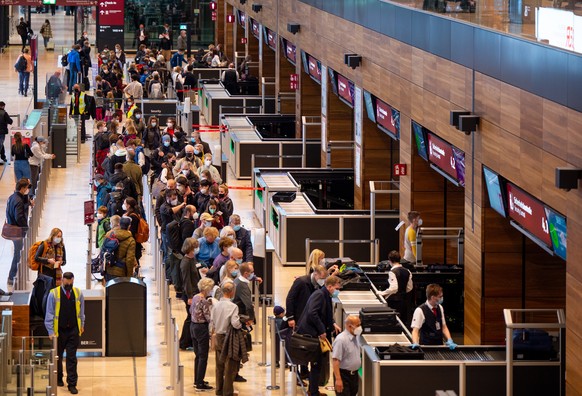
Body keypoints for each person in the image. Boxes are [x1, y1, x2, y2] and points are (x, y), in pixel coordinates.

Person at [296, 275, 342, 396]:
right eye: (336, 288)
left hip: (315, 333)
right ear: (330, 286)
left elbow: (324, 313)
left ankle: (313, 389)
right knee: (316, 363)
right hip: (312, 334)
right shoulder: (320, 295)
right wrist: (322, 330)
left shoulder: (325, 295)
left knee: (318, 364)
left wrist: (332, 323)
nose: (337, 291)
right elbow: (313, 313)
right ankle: (313, 392)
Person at [44, 272, 84, 394]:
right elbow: (49, 314)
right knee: (58, 357)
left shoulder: (78, 293)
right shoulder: (53, 294)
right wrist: (51, 331)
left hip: (73, 330)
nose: (68, 286)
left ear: (73, 281)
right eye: (66, 283)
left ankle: (72, 383)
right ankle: (59, 378)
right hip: (59, 331)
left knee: (72, 358)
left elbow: (81, 311)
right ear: (62, 280)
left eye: (70, 283)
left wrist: (82, 325)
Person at [211, 281, 246, 396]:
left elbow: (212, 322)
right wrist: (242, 324)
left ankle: (219, 390)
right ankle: (228, 393)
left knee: (219, 366)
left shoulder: (215, 305)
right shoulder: (233, 306)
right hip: (228, 338)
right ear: (232, 292)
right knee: (229, 367)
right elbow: (235, 323)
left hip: (218, 336)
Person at [411, 284, 457, 350]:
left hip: (439, 344)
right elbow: (415, 330)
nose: (442, 298)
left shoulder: (440, 308)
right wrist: (415, 343)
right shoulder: (420, 310)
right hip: (426, 346)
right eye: (440, 296)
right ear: (432, 297)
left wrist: (450, 340)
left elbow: (444, 327)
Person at [5, 179, 32, 291]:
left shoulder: (12, 197)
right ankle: (11, 277)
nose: (27, 190)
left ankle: (13, 276)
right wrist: (26, 228)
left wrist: (28, 201)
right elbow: (19, 217)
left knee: (18, 253)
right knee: (18, 254)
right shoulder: (18, 201)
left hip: (12, 229)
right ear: (22, 188)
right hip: (17, 231)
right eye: (26, 188)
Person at [190, 277, 215, 390]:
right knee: (203, 356)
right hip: (201, 328)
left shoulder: (195, 297)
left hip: (193, 326)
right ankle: (200, 383)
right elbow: (208, 317)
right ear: (207, 289)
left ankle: (197, 379)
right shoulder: (204, 301)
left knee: (197, 355)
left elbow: (191, 310)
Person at [179, 237, 202, 349]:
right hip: (190, 294)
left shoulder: (192, 259)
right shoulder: (185, 262)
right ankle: (184, 342)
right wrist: (190, 296)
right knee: (190, 318)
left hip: (195, 292)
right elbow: (186, 281)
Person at [380, 250, 414, 325]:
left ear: (390, 261)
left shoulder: (392, 272)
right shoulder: (407, 271)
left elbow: (394, 288)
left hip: (393, 302)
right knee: (402, 323)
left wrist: (382, 293)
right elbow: (409, 287)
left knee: (393, 323)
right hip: (404, 301)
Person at [332, 315, 362, 396]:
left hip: (354, 376)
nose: (360, 328)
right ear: (349, 326)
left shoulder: (356, 337)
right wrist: (338, 379)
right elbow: (335, 361)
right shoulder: (341, 340)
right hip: (343, 376)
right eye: (358, 325)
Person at [104, 216, 136, 281]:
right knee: (120, 291)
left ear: (119, 224)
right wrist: (129, 276)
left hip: (108, 269)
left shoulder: (109, 234)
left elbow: (103, 249)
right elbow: (129, 260)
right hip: (121, 272)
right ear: (129, 226)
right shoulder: (130, 240)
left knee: (110, 290)